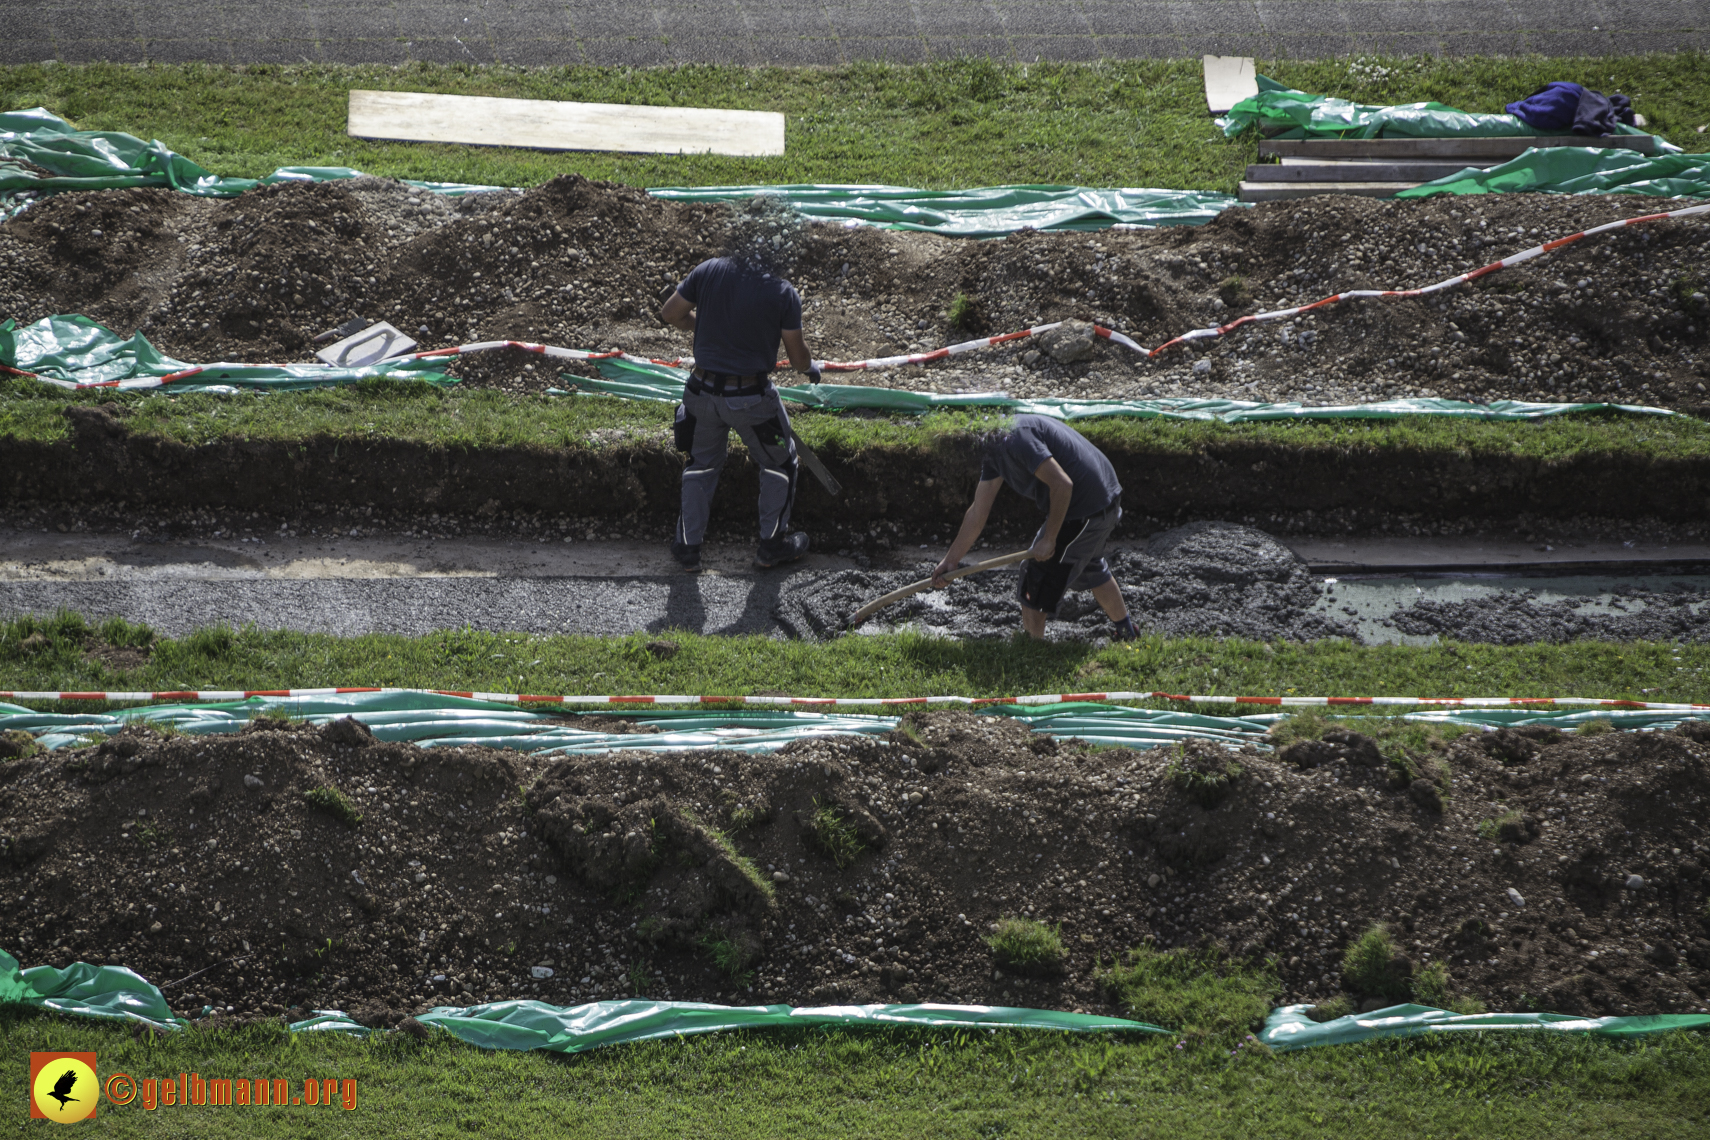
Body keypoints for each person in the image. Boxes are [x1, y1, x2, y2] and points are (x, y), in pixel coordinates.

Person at [660, 244, 818, 572]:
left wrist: (701, 325)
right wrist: (808, 368)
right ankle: (772, 546)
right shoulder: (781, 292)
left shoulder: (707, 270)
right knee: (780, 461)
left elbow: (671, 313)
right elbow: (798, 354)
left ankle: (688, 548)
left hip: (700, 394)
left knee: (701, 463)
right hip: (753, 402)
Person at [931, 415, 1139, 640]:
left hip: (1085, 507)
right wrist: (951, 560)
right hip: (1101, 499)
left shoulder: (1017, 438)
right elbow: (977, 513)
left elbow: (1062, 484)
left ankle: (1033, 649)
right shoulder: (993, 450)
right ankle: (1127, 632)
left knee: (1036, 574)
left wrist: (1050, 538)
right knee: (1088, 565)